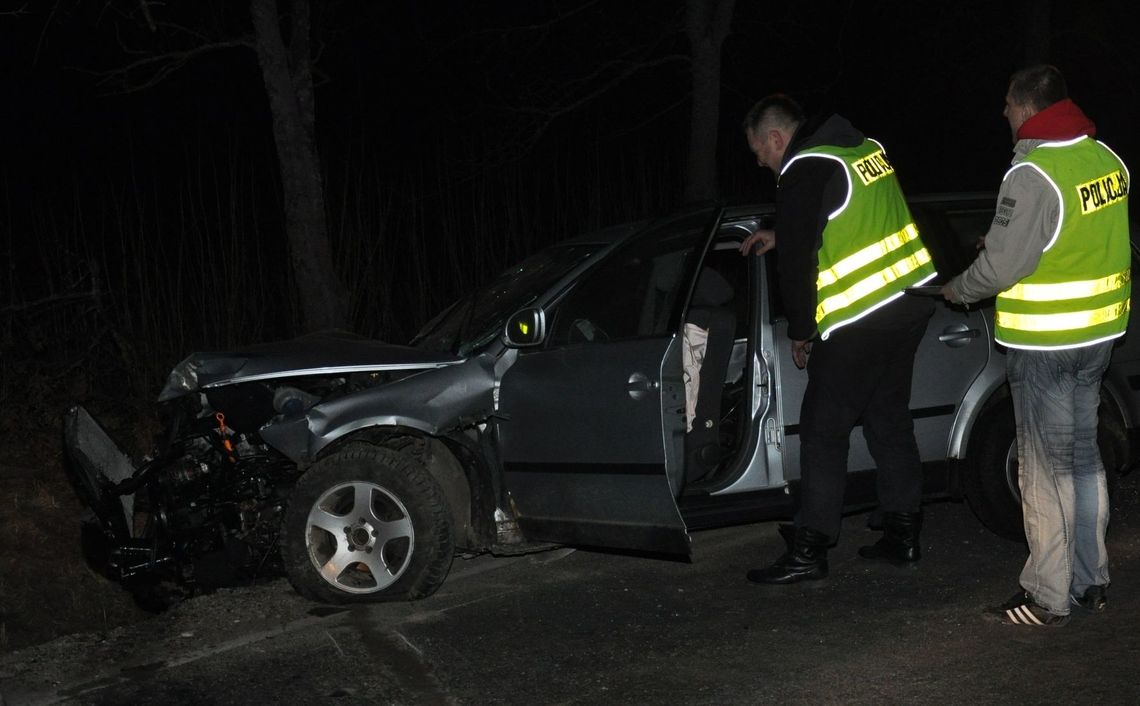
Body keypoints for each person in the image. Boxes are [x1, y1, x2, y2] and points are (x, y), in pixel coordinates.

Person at [941, 65, 1130, 627]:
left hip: (1045, 344)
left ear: (1027, 107)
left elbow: (1002, 266)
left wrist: (959, 288)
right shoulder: (1106, 159)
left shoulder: (1031, 173)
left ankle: (1048, 594)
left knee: (1042, 470)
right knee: (1082, 459)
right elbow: (1069, 237)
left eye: (1006, 103)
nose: (1003, 113)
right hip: (1097, 339)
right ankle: (1091, 580)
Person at [739, 94, 937, 584]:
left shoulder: (803, 168)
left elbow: (797, 266)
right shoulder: (862, 148)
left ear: (776, 138)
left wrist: (802, 331)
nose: (760, 161)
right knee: (888, 420)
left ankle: (811, 548)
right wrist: (784, 232)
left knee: (823, 432)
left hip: (861, 320)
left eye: (759, 151)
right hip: (909, 307)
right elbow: (854, 219)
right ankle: (903, 535)